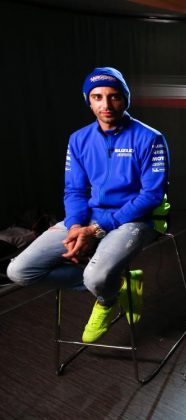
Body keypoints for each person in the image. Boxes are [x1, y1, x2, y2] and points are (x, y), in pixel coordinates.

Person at [7, 67, 170, 343]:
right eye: (97, 97)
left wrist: (95, 230)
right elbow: (74, 190)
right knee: (19, 271)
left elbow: (151, 196)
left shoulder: (150, 138)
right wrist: (75, 227)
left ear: (125, 99)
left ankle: (105, 296)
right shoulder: (79, 139)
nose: (106, 105)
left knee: (95, 277)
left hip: (137, 219)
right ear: (89, 101)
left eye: (114, 96)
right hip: (89, 219)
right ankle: (118, 285)